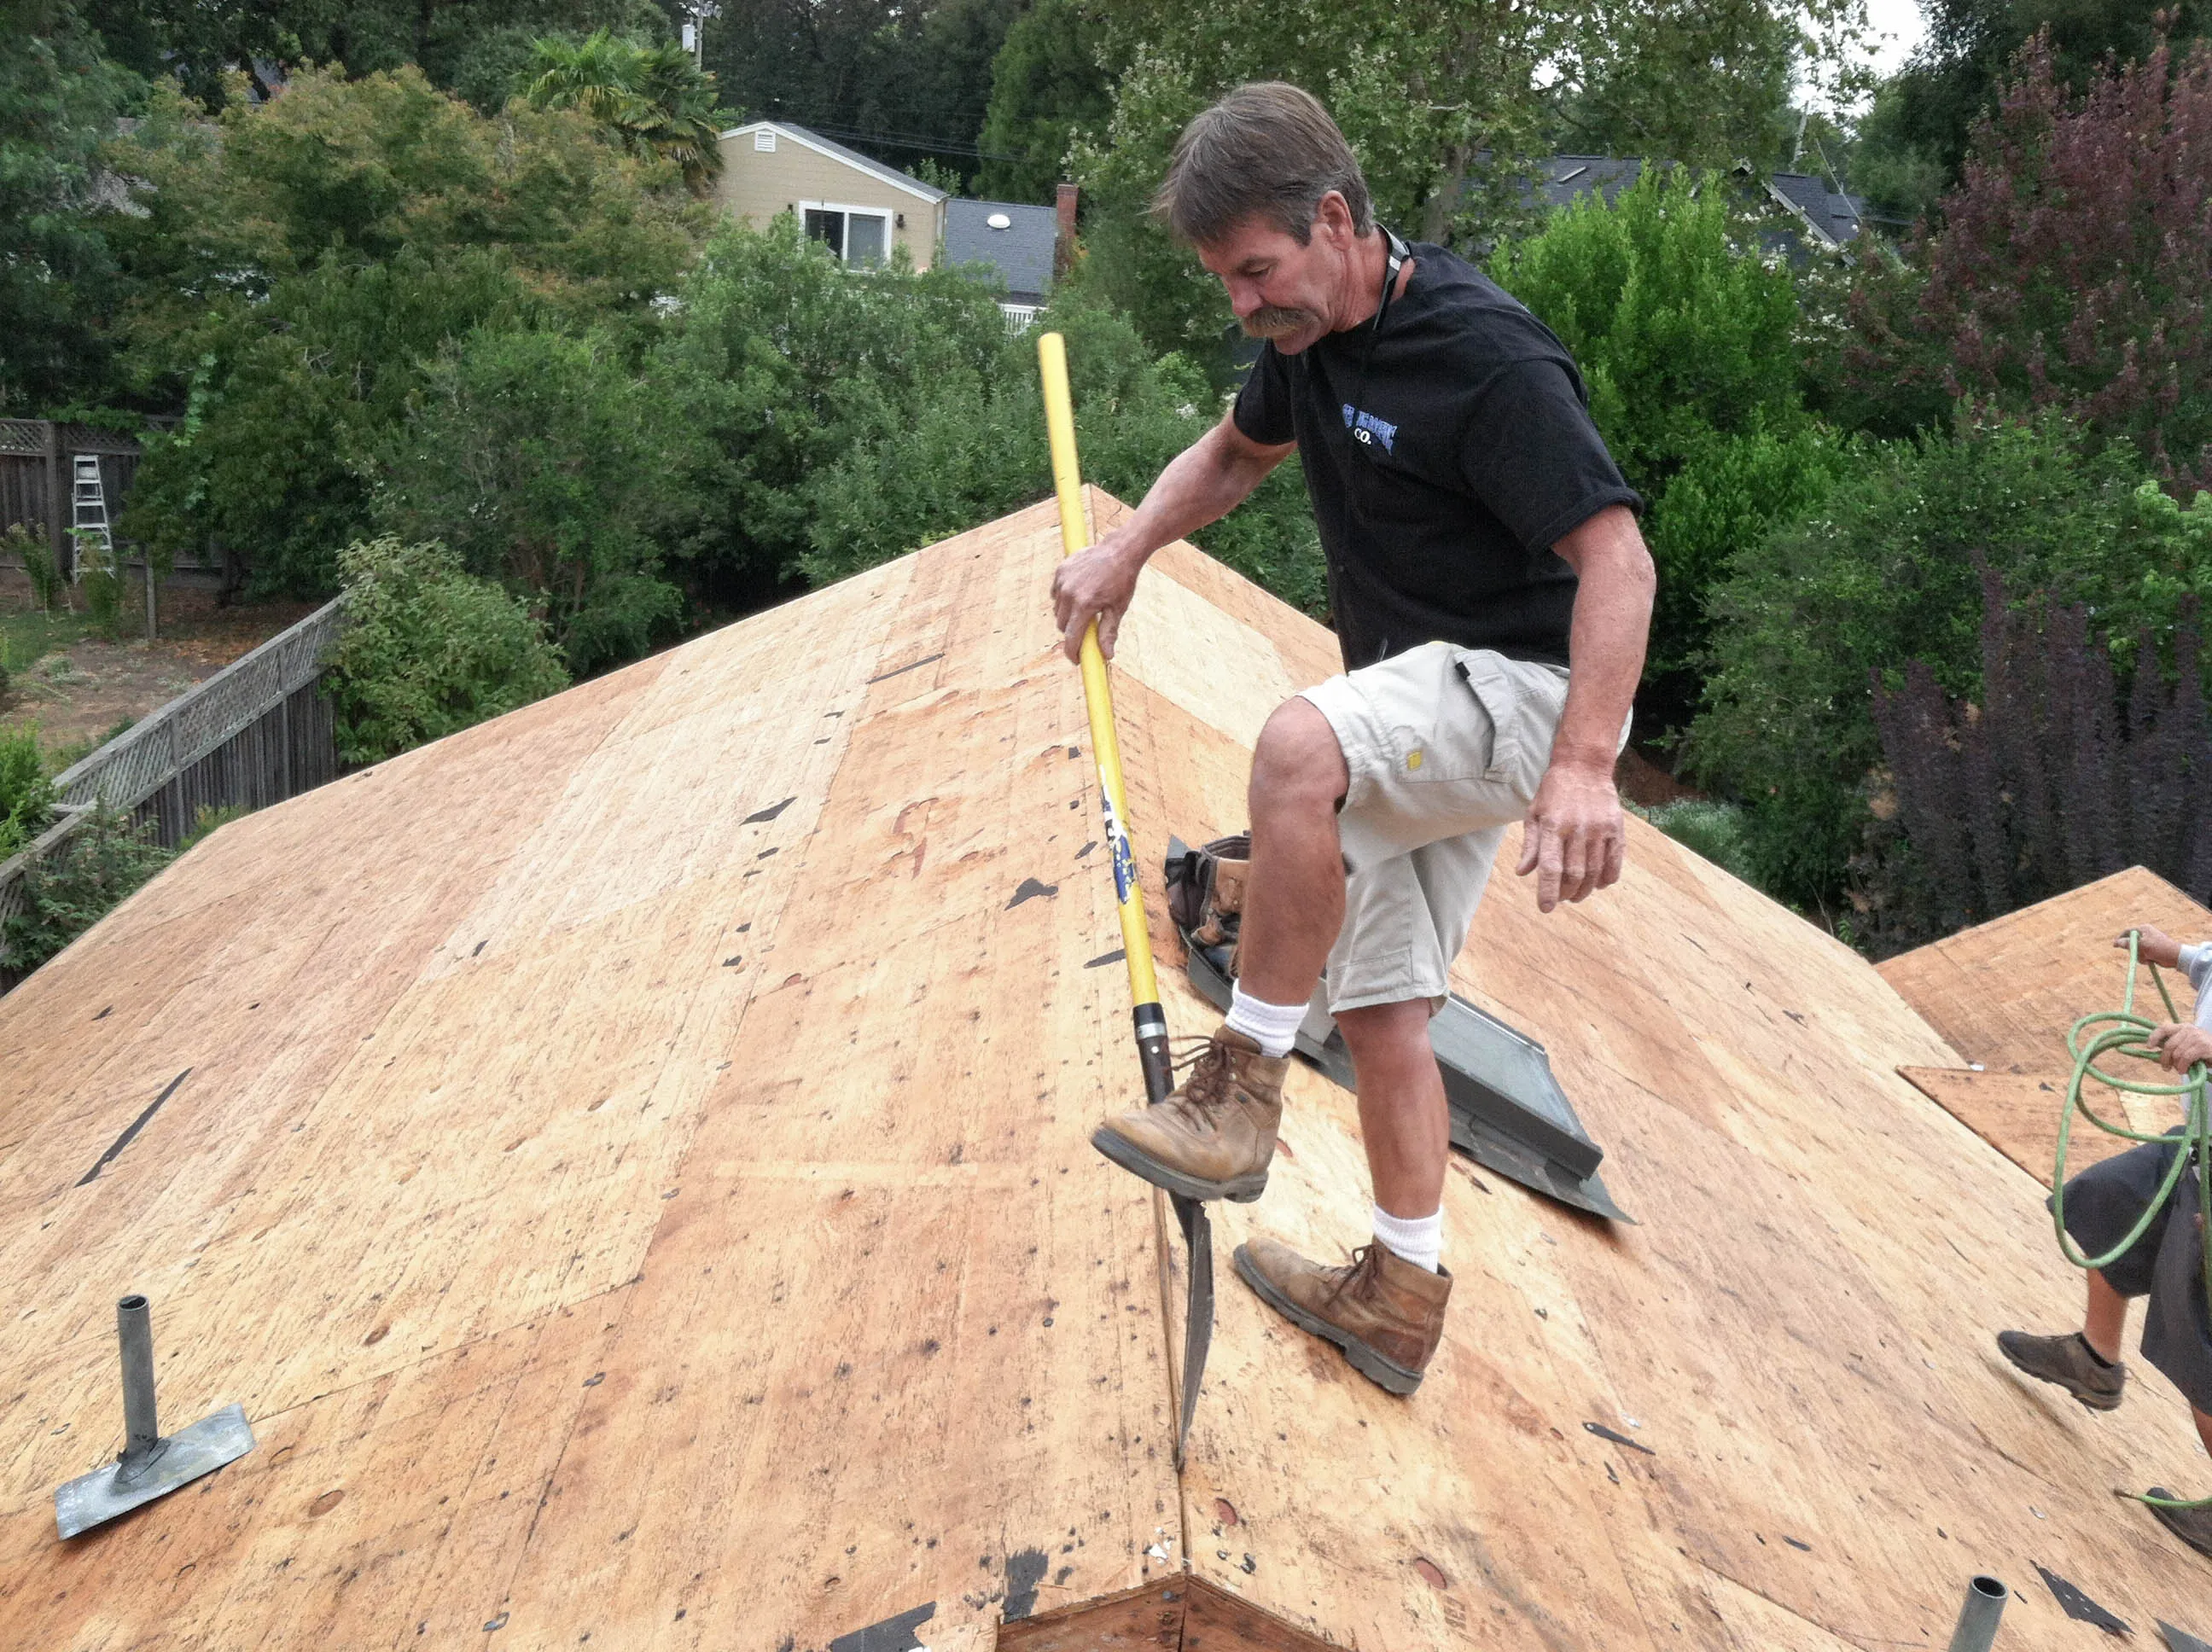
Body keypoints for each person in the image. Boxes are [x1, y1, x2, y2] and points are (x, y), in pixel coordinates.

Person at [1052, 83, 1654, 1395]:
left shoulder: (1487, 360)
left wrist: (1589, 766)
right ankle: (1400, 1287)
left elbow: (1620, 561)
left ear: (1335, 220)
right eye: (1225, 281)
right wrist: (1126, 545)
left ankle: (1240, 1093)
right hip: (1433, 701)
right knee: (1387, 1013)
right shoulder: (1309, 335)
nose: (1243, 304)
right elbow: (1232, 453)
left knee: (1294, 751)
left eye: (1256, 270)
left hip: (1525, 700)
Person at [1998, 923, 2212, 1561]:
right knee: (2105, 1203)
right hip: (2195, 1147)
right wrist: (2171, 954)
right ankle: (2094, 1360)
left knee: (2196, 1343)